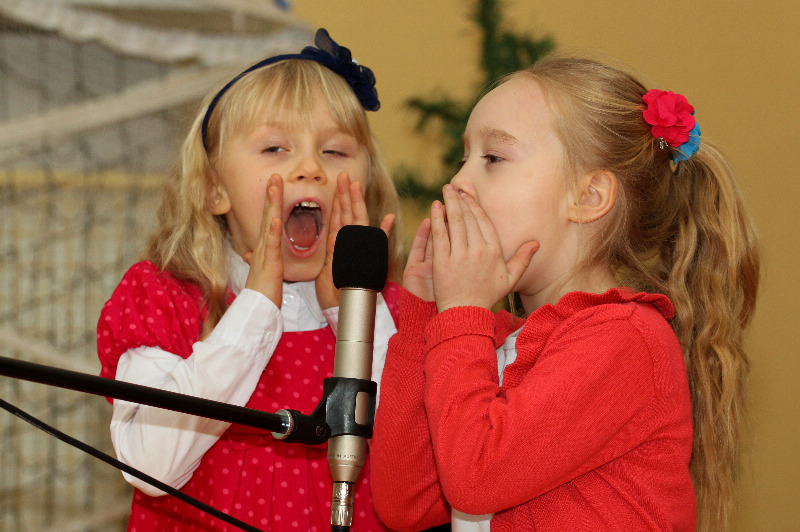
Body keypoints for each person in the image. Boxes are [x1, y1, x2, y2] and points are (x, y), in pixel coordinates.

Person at [370, 52, 759, 532]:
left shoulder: (625, 338)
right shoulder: (488, 340)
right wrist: (426, 316)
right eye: (463, 158)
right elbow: (404, 502)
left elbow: (475, 477)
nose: (458, 182)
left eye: (493, 158)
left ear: (588, 196)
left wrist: (462, 314)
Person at [97, 29, 403, 532]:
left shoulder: (393, 310)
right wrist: (257, 306)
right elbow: (150, 466)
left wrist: (351, 313)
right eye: (276, 148)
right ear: (214, 188)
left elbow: (414, 458)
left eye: (335, 151)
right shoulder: (165, 298)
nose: (311, 168)